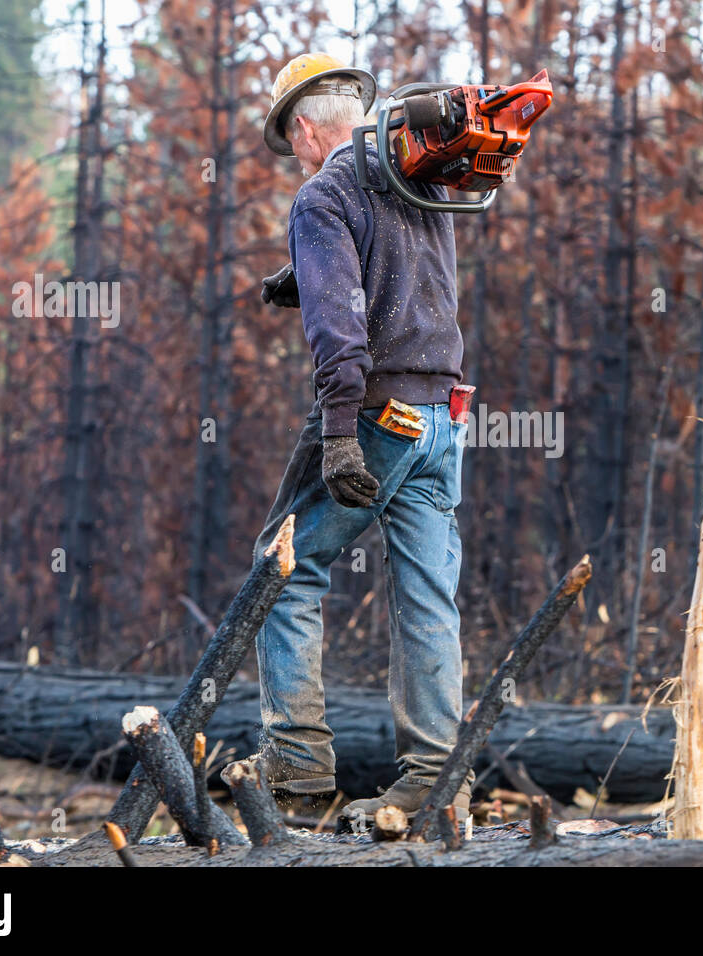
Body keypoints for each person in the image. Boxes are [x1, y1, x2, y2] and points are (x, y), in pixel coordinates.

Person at [248, 53, 472, 827]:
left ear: (305, 128)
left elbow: (341, 335)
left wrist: (340, 434)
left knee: (284, 564)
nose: (296, 158)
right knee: (425, 592)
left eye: (292, 141)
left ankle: (298, 771)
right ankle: (436, 781)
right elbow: (397, 277)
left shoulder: (325, 192)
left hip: (376, 415)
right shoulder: (423, 177)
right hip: (445, 414)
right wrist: (301, 272)